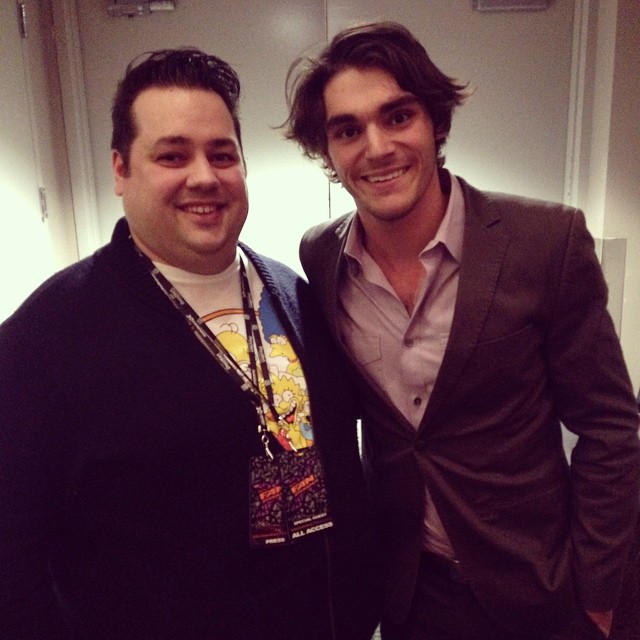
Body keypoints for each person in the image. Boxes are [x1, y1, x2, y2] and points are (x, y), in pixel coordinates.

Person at [0, 48, 380, 639]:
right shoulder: (45, 340)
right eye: (172, 155)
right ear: (121, 170)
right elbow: (11, 557)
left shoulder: (295, 293)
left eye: (222, 154)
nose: (204, 176)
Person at [282, 20, 640, 640]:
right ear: (328, 152)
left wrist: (600, 594)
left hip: (546, 590)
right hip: (412, 596)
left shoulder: (545, 242)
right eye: (347, 130)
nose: (376, 146)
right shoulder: (320, 256)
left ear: (435, 122)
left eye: (397, 117)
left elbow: (610, 428)